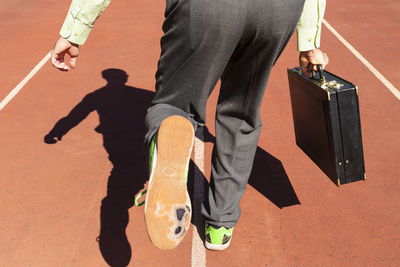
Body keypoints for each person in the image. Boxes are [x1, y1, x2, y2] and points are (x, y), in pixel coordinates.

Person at [51, 0, 329, 251]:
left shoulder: (101, 95)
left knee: (174, 107)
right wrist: (309, 42)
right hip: (277, 11)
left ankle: (165, 139)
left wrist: (75, 30)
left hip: (207, 8)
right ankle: (220, 225)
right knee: (241, 114)